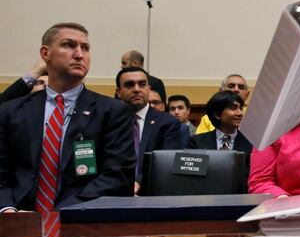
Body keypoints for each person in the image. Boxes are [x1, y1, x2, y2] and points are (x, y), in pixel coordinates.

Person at [0, 23, 135, 212]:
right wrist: (7, 209)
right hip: (18, 218)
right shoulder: (13, 111)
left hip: (81, 219)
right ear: (45, 53)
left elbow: (117, 175)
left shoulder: (112, 111)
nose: (80, 54)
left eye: (85, 48)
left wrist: (60, 213)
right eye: (69, 45)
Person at [115, 67, 183, 191]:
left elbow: (166, 161)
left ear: (149, 89)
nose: (137, 89)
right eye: (129, 85)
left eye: (142, 84)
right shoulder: (110, 121)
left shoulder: (167, 123)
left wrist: (138, 183)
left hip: (152, 191)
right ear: (119, 92)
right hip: (115, 192)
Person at [188, 91, 253, 185]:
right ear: (217, 114)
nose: (240, 113)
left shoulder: (251, 143)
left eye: (240, 108)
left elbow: (250, 178)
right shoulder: (195, 142)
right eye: (233, 108)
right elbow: (191, 177)